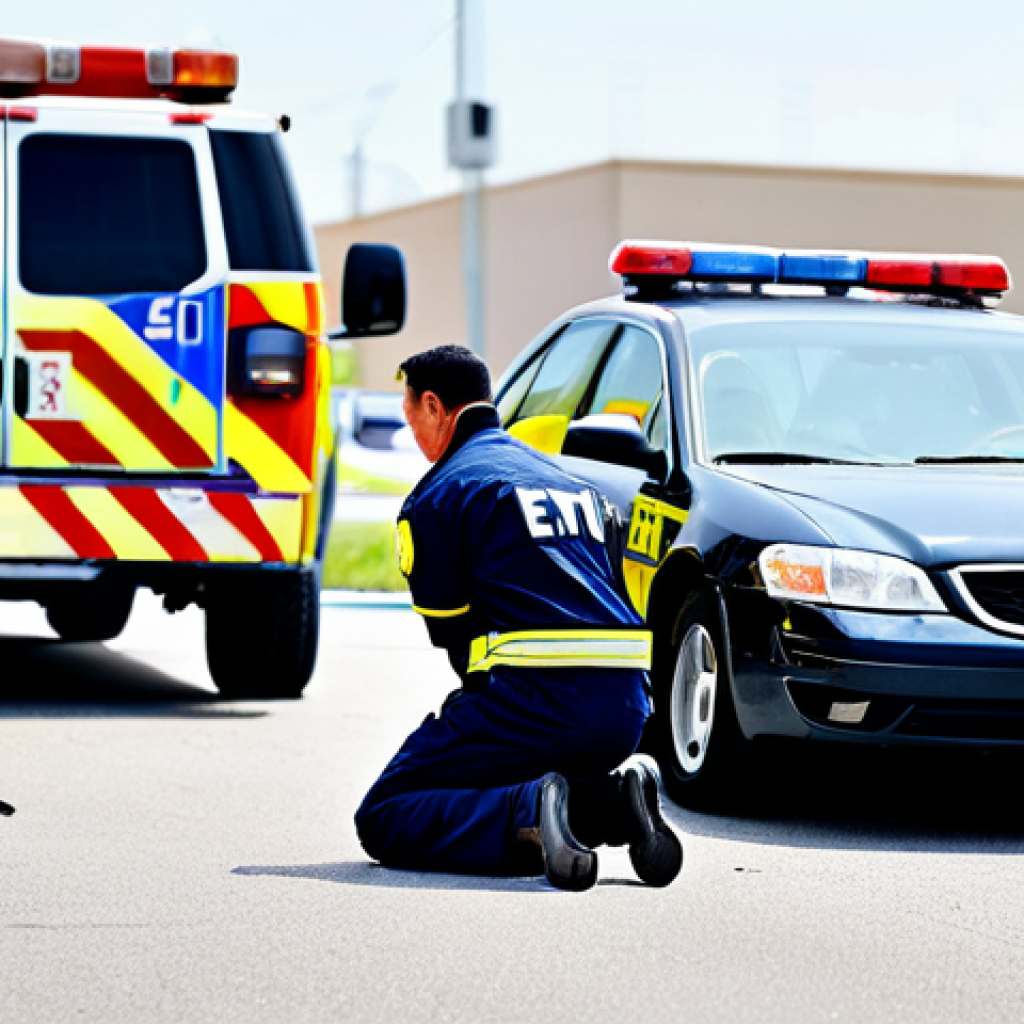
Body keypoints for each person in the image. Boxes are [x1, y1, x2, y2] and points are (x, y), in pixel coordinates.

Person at [354, 345, 682, 891]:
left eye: (410, 414)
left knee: (386, 812)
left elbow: (457, 640)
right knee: (517, 758)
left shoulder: (440, 497)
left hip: (534, 705)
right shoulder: (579, 488)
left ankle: (531, 811)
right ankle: (614, 803)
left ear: (434, 406)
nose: (411, 430)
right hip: (627, 714)